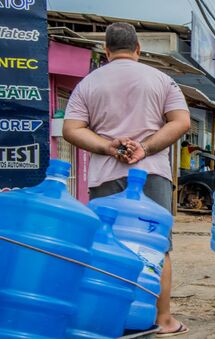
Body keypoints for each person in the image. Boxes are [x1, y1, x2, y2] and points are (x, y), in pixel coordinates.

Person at [63, 22, 190, 336]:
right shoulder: (161, 79)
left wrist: (108, 146)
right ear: (137, 49)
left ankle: (110, 316)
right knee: (156, 247)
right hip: (152, 174)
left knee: (108, 245)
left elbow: (72, 129)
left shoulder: (88, 83)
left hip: (106, 175)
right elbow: (181, 122)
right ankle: (162, 320)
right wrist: (144, 147)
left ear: (106, 51)